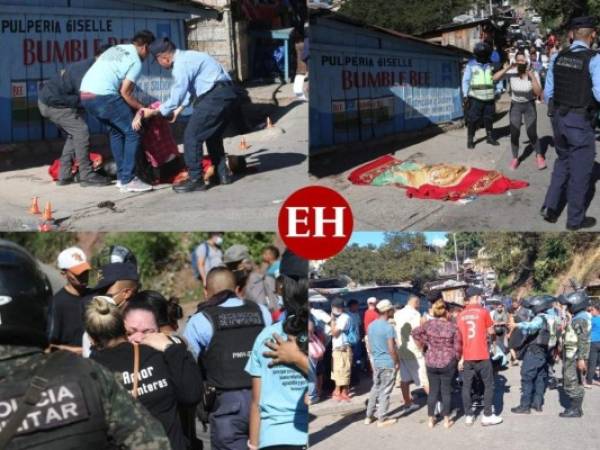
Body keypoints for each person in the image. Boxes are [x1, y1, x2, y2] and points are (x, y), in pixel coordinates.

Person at [0, 240, 170, 450]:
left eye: (86, 273)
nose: (85, 279)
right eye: (78, 275)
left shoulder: (100, 286)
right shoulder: (89, 371)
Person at [86, 296, 202, 450]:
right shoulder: (159, 353)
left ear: (91, 338)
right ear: (123, 327)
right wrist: (172, 348)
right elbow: (192, 395)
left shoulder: (89, 373)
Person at [183, 267, 272, 450]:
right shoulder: (262, 312)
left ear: (206, 291)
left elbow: (187, 366)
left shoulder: (200, 321)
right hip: (265, 400)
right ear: (236, 289)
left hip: (227, 408)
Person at [136, 37, 240, 192]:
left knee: (191, 137)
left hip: (214, 97)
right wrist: (179, 110)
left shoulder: (181, 65)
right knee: (212, 135)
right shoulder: (192, 56)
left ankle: (195, 179)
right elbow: (190, 90)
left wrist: (157, 111)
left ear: (164, 57)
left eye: (157, 61)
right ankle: (222, 175)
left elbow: (177, 93)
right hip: (228, 95)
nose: (160, 65)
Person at [541, 16, 600, 230]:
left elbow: (548, 94)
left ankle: (550, 208)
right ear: (592, 35)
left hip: (559, 118)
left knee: (563, 162)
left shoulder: (557, 56)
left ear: (572, 35)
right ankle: (575, 221)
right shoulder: (595, 59)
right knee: (581, 172)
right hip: (579, 121)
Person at [247, 250, 309, 450]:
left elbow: (257, 402)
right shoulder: (315, 332)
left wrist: (253, 445)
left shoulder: (265, 337)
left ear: (282, 286)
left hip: (273, 438)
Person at [80, 30, 156, 193]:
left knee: (116, 132)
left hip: (86, 95)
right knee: (134, 132)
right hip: (103, 96)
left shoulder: (117, 48)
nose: (149, 55)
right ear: (145, 47)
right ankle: (128, 179)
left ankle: (122, 178)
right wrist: (142, 108)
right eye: (149, 51)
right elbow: (125, 92)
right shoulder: (135, 61)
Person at [38, 45, 111, 186]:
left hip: (59, 102)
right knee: (81, 131)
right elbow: (86, 98)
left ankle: (63, 175)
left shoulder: (94, 67)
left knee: (74, 135)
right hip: (53, 104)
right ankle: (86, 174)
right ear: (101, 57)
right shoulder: (83, 71)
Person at [412, 299, 462, 429]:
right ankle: (446, 420)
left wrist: (425, 343)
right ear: (446, 312)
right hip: (447, 361)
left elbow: (415, 333)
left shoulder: (428, 324)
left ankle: (430, 420)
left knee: (433, 390)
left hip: (431, 360)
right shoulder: (453, 326)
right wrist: (457, 359)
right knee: (446, 391)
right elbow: (458, 347)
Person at [456, 286, 503, 426]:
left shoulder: (460, 315)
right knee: (489, 385)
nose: (481, 298)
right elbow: (491, 332)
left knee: (466, 386)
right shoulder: (483, 312)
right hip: (482, 354)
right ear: (476, 297)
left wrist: (461, 358)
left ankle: (469, 415)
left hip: (467, 356)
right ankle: (487, 415)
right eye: (480, 296)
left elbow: (459, 338)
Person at [494, 51, 544, 170]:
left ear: (526, 61)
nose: (521, 62)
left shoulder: (533, 72)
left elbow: (538, 93)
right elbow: (494, 78)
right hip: (516, 105)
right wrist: (508, 68)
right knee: (515, 132)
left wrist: (532, 77)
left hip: (529, 105)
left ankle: (539, 155)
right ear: (515, 61)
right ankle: (515, 158)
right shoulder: (512, 72)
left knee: (531, 132)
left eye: (523, 60)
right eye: (518, 60)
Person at [81, 262, 140, 357]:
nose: (96, 298)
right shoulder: (93, 330)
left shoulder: (146, 326)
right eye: (93, 292)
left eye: (103, 291)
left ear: (126, 293)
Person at [509, 295, 556, 414]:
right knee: (540, 378)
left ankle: (525, 406)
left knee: (527, 377)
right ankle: (537, 404)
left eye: (532, 307)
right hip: (544, 352)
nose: (531, 309)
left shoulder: (539, 318)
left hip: (534, 352)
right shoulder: (551, 317)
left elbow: (532, 326)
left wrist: (517, 325)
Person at [47, 246, 92, 354]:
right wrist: (84, 351)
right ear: (64, 274)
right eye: (78, 273)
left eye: (85, 271)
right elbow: (50, 346)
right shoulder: (57, 304)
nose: (84, 275)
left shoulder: (95, 296)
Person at [364, 299, 399, 428]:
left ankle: (369, 416)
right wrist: (396, 362)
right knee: (386, 390)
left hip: (377, 361)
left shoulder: (371, 326)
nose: (393, 311)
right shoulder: (388, 327)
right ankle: (382, 418)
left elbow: (370, 346)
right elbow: (391, 348)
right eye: (391, 309)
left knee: (375, 388)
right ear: (387, 311)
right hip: (388, 362)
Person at [558, 291, 591, 417]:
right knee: (572, 379)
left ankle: (575, 409)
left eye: (570, 305)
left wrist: (582, 358)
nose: (568, 308)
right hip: (572, 355)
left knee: (571, 380)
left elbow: (583, 340)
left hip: (574, 356)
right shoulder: (579, 317)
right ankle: (576, 408)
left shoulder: (581, 319)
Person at [462, 42, 500, 149]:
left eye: (485, 56)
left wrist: (497, 91)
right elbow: (465, 80)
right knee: (472, 119)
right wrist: (465, 95)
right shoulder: (471, 65)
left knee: (489, 118)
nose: (483, 58)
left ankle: (489, 137)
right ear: (477, 55)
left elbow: (494, 79)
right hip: (475, 98)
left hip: (489, 98)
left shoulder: (490, 65)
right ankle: (470, 139)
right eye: (481, 55)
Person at [393, 295, 428, 409]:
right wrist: (421, 347)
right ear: (416, 302)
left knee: (405, 379)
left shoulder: (397, 314)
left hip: (402, 349)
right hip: (414, 350)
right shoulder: (415, 314)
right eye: (419, 303)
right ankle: (437, 406)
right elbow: (416, 333)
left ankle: (407, 403)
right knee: (424, 379)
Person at [224, 244, 278, 310]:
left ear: (247, 262)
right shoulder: (229, 283)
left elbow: (263, 308)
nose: (233, 270)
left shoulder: (259, 281)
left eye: (235, 265)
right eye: (230, 266)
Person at [330, 297, 353, 401]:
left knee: (344, 370)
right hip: (338, 348)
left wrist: (332, 321)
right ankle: (338, 391)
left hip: (343, 348)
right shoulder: (339, 318)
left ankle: (344, 392)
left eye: (339, 307)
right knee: (338, 370)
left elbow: (335, 333)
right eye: (337, 307)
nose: (338, 309)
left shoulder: (344, 317)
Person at [586, 303, 600, 386]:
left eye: (593, 310)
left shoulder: (592, 320)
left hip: (593, 342)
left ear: (598, 311)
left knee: (592, 362)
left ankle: (589, 382)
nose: (591, 312)